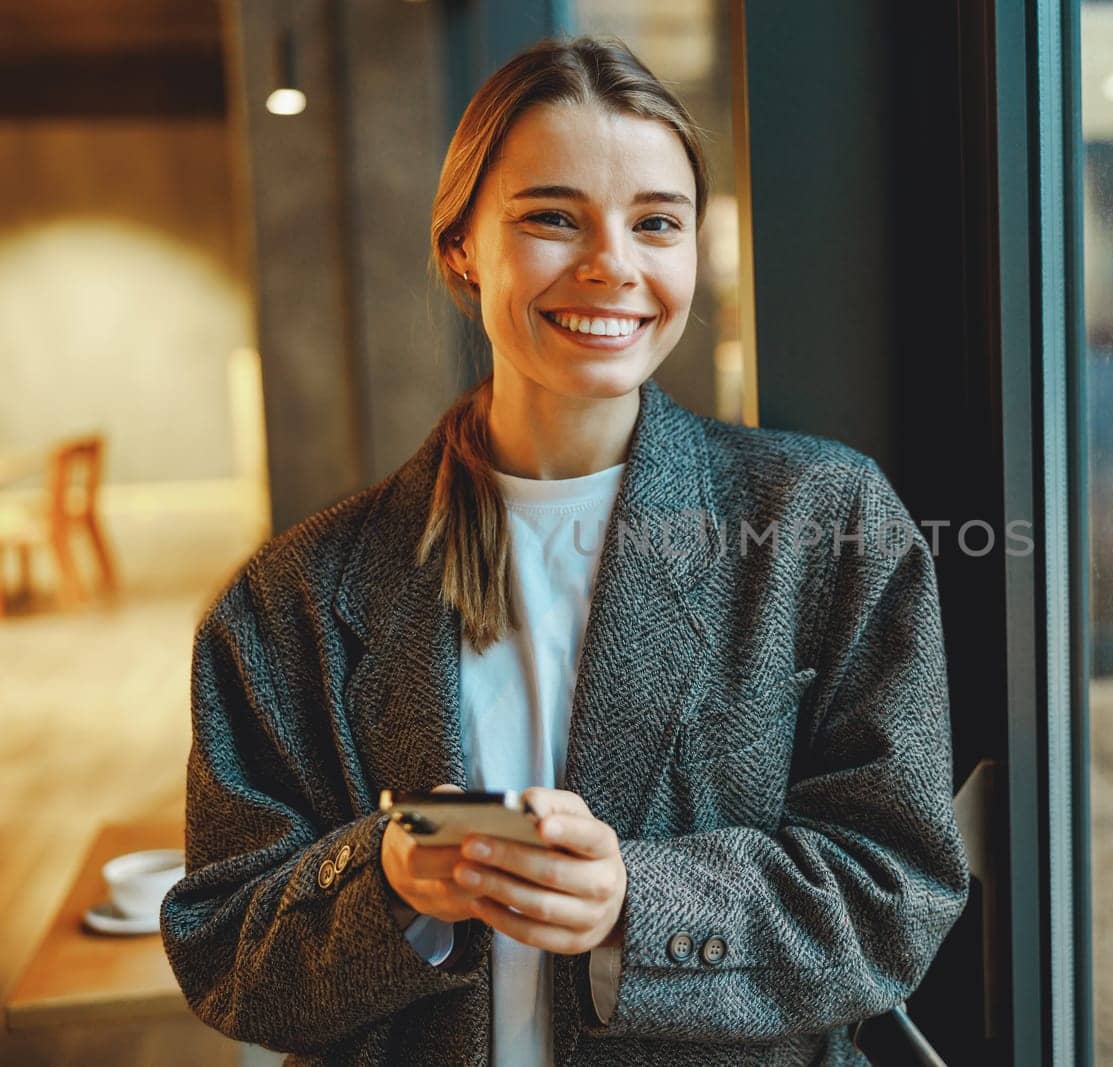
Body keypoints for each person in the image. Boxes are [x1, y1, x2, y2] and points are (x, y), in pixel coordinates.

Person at [158, 36, 968, 1067]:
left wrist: (638, 898)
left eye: (656, 223)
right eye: (551, 216)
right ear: (461, 246)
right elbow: (224, 950)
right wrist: (390, 886)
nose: (612, 265)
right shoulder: (294, 596)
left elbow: (896, 891)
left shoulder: (825, 522)